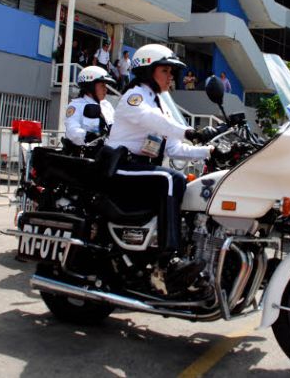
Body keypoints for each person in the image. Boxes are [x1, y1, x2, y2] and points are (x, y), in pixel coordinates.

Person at [105, 44, 218, 289]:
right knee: (171, 179)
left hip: (140, 168)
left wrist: (210, 151)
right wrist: (190, 131)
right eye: (165, 71)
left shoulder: (161, 102)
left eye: (171, 72)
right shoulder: (134, 96)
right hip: (119, 166)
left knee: (189, 185)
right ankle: (168, 261)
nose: (171, 77)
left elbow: (174, 148)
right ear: (148, 71)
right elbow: (153, 120)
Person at [64, 66, 116, 148]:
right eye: (102, 86)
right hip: (86, 153)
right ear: (90, 86)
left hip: (107, 151)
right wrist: (88, 136)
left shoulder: (107, 105)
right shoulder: (76, 106)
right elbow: (71, 131)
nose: (106, 90)